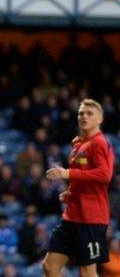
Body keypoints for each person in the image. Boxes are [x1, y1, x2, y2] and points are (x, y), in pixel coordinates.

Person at [44, 98, 115, 277]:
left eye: (90, 113)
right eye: (81, 113)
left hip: (91, 218)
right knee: (50, 266)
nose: (84, 116)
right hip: (71, 216)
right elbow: (84, 176)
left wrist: (67, 174)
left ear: (99, 119)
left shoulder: (100, 143)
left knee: (87, 272)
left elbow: (104, 174)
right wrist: (71, 193)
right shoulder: (77, 144)